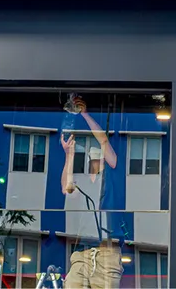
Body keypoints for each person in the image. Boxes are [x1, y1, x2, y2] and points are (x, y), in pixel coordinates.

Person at [59, 96, 129, 289]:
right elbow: (66, 188)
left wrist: (85, 115)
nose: (96, 163)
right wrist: (69, 155)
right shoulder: (84, 183)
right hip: (83, 250)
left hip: (107, 250)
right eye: (93, 160)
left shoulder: (111, 177)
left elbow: (104, 141)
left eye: (99, 160)